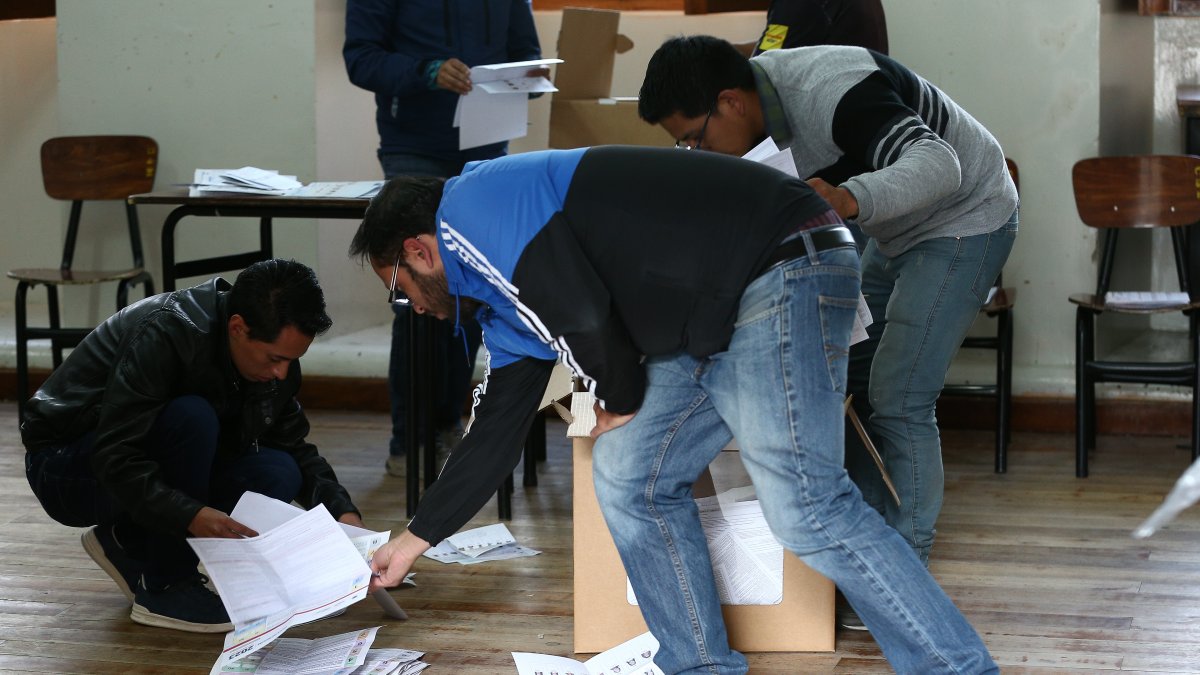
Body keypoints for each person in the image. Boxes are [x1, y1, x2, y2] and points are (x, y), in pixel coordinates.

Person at [354, 146, 998, 674]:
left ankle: (957, 668)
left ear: (419, 250)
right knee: (630, 476)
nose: (413, 306)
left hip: (781, 266)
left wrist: (616, 396)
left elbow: (583, 315)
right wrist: (416, 539)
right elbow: (495, 427)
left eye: (399, 290)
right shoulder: (498, 295)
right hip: (712, 312)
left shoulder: (475, 208)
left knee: (808, 506)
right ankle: (699, 666)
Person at [638, 37, 1018, 574]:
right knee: (844, 381)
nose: (697, 154)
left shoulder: (832, 89)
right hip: (892, 230)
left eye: (694, 139)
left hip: (965, 217)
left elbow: (940, 164)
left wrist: (845, 198)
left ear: (730, 102)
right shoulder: (752, 117)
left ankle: (903, 571)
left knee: (899, 394)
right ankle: (870, 543)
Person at [21, 259, 363, 633]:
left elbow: (294, 445)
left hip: (135, 460)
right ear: (237, 327)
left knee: (278, 470)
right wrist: (190, 515)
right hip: (64, 465)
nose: (282, 373)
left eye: (292, 360)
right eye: (275, 358)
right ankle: (165, 586)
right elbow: (114, 455)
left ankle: (128, 541)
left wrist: (345, 518)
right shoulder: (167, 332)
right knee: (192, 417)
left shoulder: (270, 362)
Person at [343, 0, 543, 476]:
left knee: (475, 293)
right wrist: (425, 72)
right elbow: (361, 58)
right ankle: (410, 439)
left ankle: (451, 421)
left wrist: (526, 79)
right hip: (413, 149)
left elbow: (526, 55)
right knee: (415, 295)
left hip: (487, 149)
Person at [734, 0, 888, 57]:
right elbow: (773, 44)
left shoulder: (797, 4)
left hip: (827, 122)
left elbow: (761, 74)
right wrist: (721, 51)